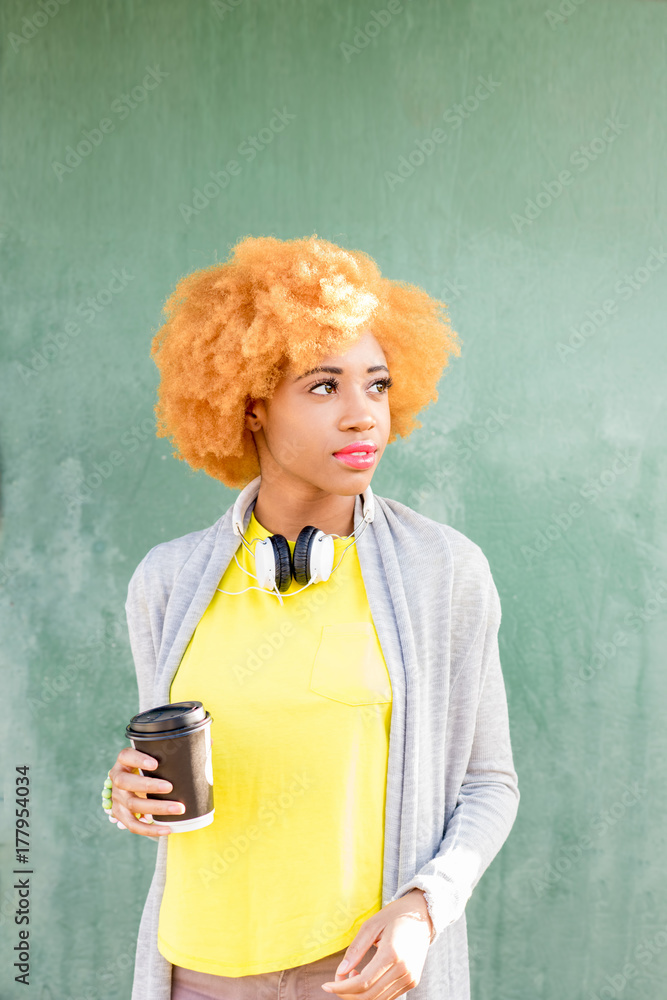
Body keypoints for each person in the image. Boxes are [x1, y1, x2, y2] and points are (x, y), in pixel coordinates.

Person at [106, 234, 520, 1000]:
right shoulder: (165, 582)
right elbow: (161, 771)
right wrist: (124, 795)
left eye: (377, 385)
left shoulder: (444, 572)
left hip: (360, 976)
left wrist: (425, 908)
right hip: (197, 971)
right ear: (254, 403)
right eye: (325, 386)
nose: (363, 416)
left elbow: (489, 784)